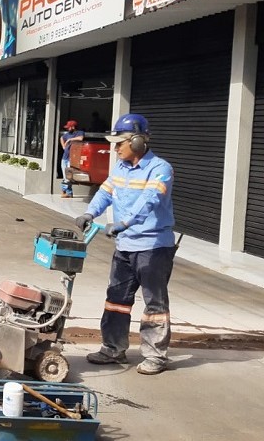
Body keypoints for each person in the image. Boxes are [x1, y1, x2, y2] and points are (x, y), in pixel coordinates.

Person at [74, 113, 176, 376]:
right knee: (116, 300)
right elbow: (106, 192)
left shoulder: (160, 169)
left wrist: (126, 222)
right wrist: (90, 213)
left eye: (120, 142)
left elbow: (150, 200)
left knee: (154, 304)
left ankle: (155, 355)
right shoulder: (119, 168)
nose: (115, 147)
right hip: (125, 245)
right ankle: (113, 348)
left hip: (153, 246)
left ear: (139, 142)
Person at [59, 119, 84, 198]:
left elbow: (81, 138)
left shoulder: (79, 133)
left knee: (69, 177)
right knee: (65, 176)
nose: (67, 129)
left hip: (71, 158)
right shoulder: (67, 134)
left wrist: (70, 139)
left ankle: (65, 191)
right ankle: (68, 192)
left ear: (73, 127)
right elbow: (61, 138)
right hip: (64, 157)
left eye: (69, 127)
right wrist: (63, 146)